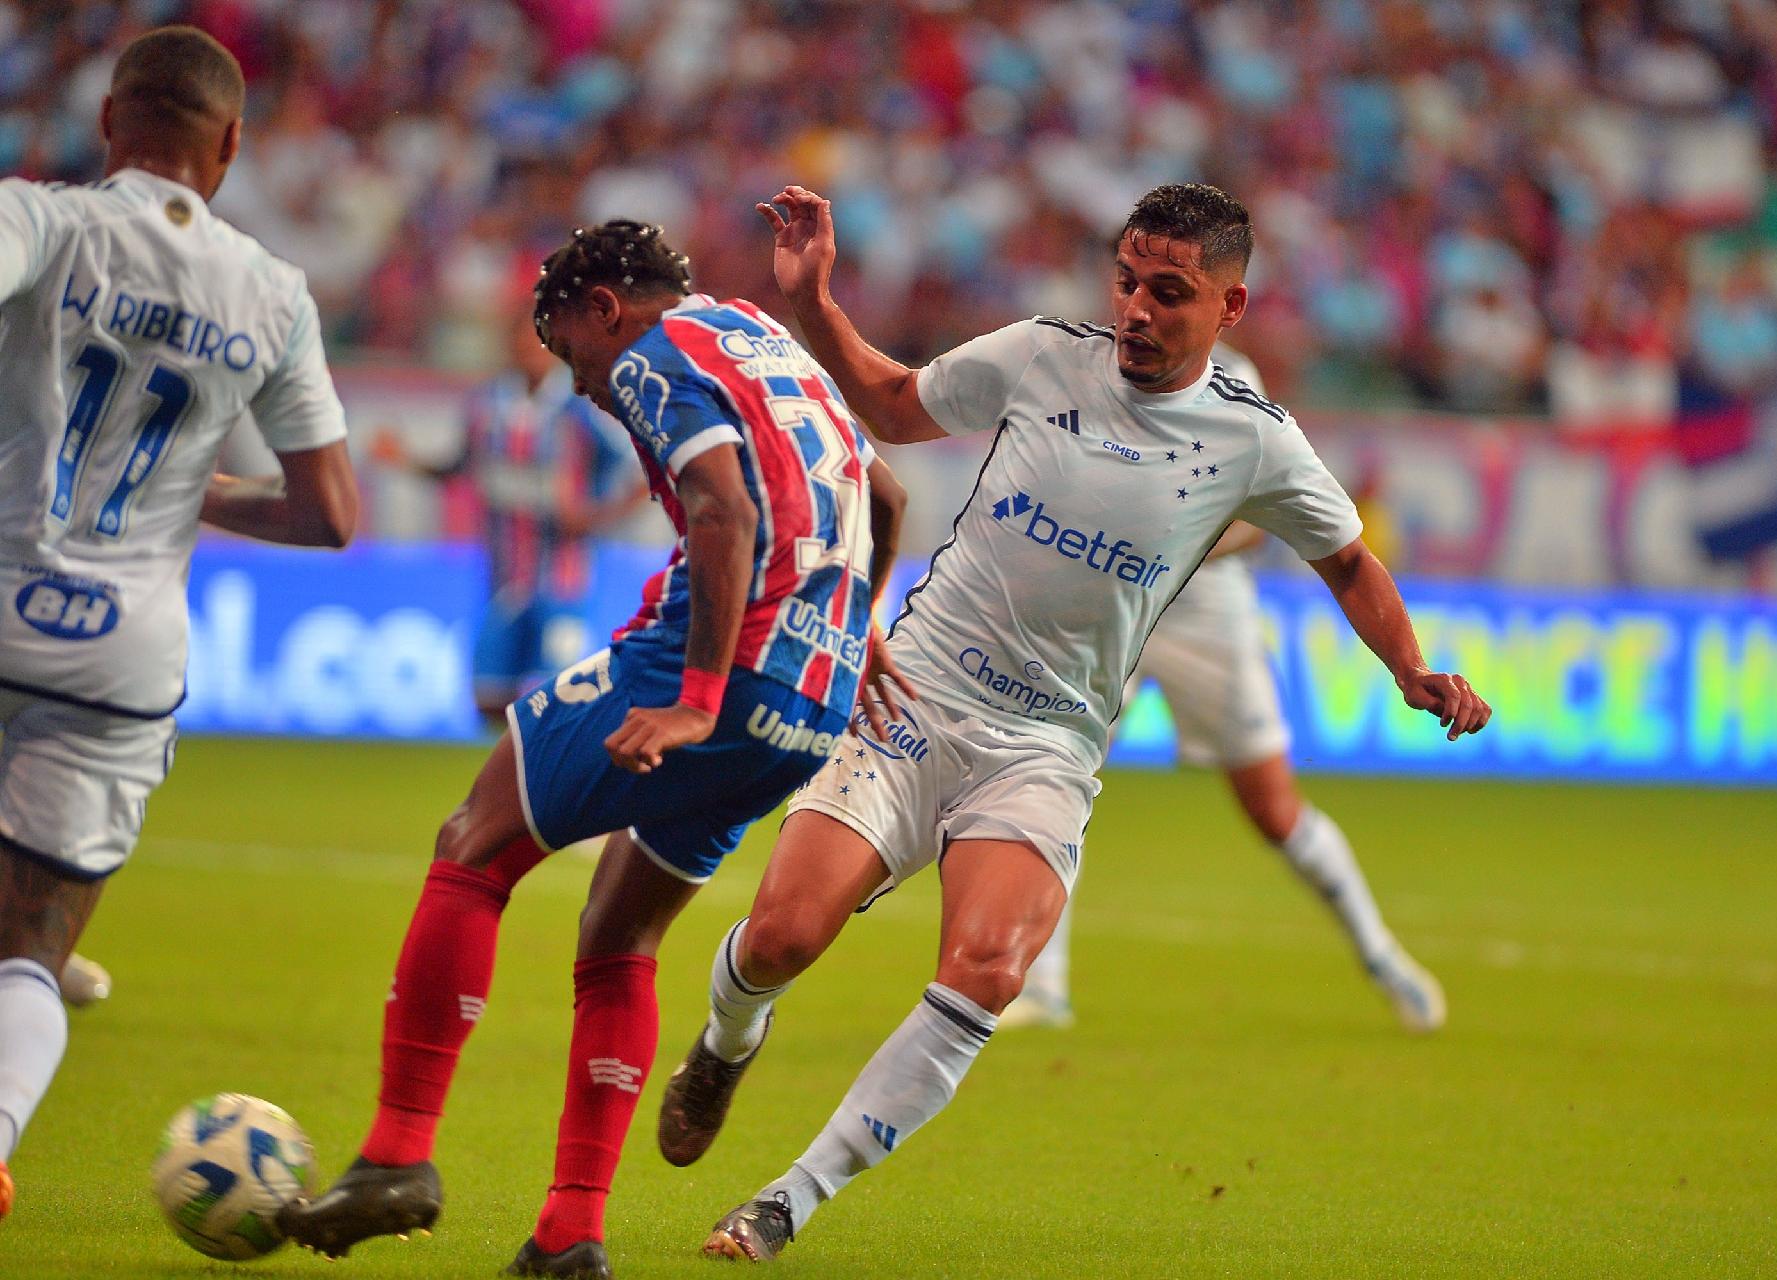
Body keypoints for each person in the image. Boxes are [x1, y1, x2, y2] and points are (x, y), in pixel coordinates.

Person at [657, 182, 1490, 1262]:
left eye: (1170, 292)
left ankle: (790, 1196)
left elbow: (1348, 559)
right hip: (913, 696)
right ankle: (726, 1040)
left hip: (1047, 740)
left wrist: (1412, 667)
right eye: (1128, 281)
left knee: (988, 970)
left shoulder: (1254, 439)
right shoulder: (1044, 353)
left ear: (1228, 308)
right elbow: (896, 405)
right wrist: (814, 299)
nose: (1138, 308)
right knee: (779, 937)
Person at [277, 219, 910, 1280]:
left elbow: (723, 509)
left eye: (570, 351)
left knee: (474, 839)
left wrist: (698, 695)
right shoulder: (755, 332)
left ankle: (396, 1155)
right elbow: (883, 496)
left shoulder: (657, 353)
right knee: (618, 928)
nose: (577, 382)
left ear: (602, 311)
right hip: (812, 694)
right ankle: (570, 1229)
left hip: (723, 666)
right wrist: (855, 620)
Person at [0, 26, 358, 1223]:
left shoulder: (46, 223)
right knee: (34, 948)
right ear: (232, 146)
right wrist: (193, 488)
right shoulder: (272, 291)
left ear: (109, 126)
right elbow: (330, 512)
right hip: (117, 655)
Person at [1003, 346, 1444, 1034]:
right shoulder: (1095, 365)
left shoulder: (1237, 381)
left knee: (1273, 809)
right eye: (1131, 278)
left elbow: (1258, 521)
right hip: (1111, 604)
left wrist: (1176, 549)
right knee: (1055, 780)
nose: (1143, 302)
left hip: (1206, 611)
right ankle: (1043, 986)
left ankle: (1381, 955)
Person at [370, 306, 646, 723]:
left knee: (560, 696)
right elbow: (462, 465)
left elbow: (637, 470)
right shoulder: (487, 405)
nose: (529, 349)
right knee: (488, 698)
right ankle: (505, 779)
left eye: (539, 341)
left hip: (564, 581)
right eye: (522, 339)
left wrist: (592, 517)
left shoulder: (582, 408)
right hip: (505, 579)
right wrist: (406, 461)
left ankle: (549, 782)